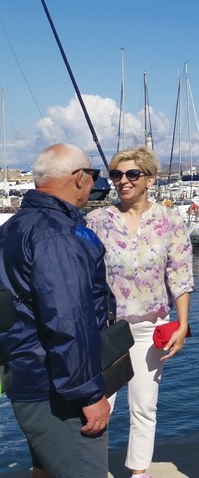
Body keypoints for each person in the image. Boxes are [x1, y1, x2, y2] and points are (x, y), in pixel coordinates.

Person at [0, 144, 111, 477]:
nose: (94, 184)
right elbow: (69, 319)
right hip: (56, 388)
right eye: (93, 176)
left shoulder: (13, 227)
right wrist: (88, 394)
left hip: (26, 373)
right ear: (78, 178)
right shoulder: (57, 233)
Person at [86, 147, 194, 477]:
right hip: (108, 329)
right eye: (116, 175)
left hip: (151, 328)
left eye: (132, 174)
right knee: (100, 406)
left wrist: (182, 325)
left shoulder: (170, 221)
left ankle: (138, 472)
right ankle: (92, 468)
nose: (123, 181)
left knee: (144, 406)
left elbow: (180, 275)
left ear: (149, 178)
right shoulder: (97, 221)